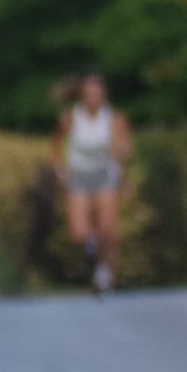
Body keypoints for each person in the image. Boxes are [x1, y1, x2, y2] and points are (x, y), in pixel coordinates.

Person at [51, 70, 134, 294]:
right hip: (79, 175)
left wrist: (124, 164)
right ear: (82, 96)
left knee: (108, 230)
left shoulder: (113, 119)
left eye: (97, 94)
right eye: (89, 94)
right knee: (79, 233)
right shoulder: (70, 118)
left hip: (104, 174)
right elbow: (56, 148)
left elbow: (124, 147)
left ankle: (104, 272)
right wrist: (59, 171)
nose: (93, 99)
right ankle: (91, 251)